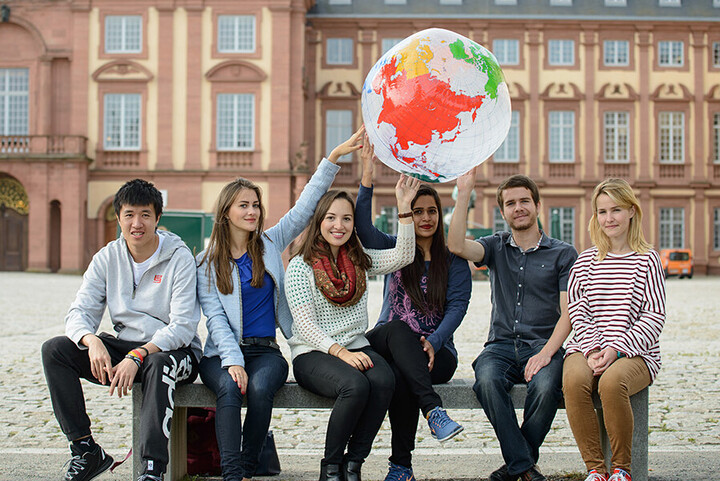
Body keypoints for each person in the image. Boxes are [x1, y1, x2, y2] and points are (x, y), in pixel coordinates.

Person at [195, 128, 361, 481]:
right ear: (226, 212)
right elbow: (215, 319)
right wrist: (233, 361)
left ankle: (248, 466)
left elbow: (304, 209)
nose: (252, 211)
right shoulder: (207, 260)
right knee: (228, 386)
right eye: (244, 205)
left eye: (255, 205)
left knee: (258, 388)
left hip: (267, 352)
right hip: (221, 354)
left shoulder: (270, 243)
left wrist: (331, 160)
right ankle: (231, 473)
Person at [41, 179, 202, 481]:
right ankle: (86, 450)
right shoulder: (107, 258)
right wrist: (91, 341)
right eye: (129, 215)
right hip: (124, 348)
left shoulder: (178, 258)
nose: (136, 223)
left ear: (157, 219)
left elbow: (182, 326)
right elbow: (79, 311)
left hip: (174, 354)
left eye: (145, 215)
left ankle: (153, 468)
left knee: (158, 362)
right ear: (118, 218)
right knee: (55, 350)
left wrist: (139, 354)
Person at [285, 175, 420, 481]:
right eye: (331, 218)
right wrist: (342, 353)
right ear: (319, 221)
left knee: (385, 380)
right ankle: (330, 468)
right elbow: (305, 326)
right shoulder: (300, 266)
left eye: (346, 218)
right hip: (313, 352)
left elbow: (404, 255)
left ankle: (353, 464)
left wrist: (403, 207)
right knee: (355, 386)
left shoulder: (359, 260)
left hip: (356, 345)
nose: (339, 225)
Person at [447, 169, 578, 481]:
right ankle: (523, 466)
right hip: (501, 347)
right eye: (510, 203)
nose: (518, 207)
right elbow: (456, 246)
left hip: (544, 346)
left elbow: (568, 313)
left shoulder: (563, 253)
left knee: (547, 387)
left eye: (524, 201)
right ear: (502, 211)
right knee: (487, 381)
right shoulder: (495, 246)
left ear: (536, 205)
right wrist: (463, 193)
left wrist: (547, 353)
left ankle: (517, 465)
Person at [354, 140, 471, 481]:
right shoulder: (395, 247)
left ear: (439, 214)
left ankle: (401, 469)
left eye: (431, 211)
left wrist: (435, 341)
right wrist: (367, 174)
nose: (424, 218)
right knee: (397, 331)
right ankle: (434, 411)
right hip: (388, 343)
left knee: (405, 376)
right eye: (417, 211)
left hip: (437, 353)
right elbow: (362, 228)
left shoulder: (453, 260)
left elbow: (458, 306)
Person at [562, 179, 665, 481]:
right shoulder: (585, 262)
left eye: (616, 210)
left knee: (611, 384)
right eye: (602, 211)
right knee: (573, 381)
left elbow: (654, 315)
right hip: (587, 347)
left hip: (636, 353)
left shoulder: (648, 260)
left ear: (632, 211)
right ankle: (595, 470)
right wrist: (594, 348)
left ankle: (622, 469)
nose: (609, 218)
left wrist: (617, 348)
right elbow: (578, 310)